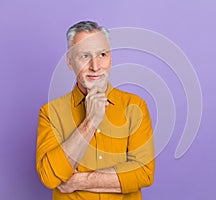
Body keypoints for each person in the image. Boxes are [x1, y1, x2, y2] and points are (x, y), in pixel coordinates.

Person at [36, 21, 155, 200]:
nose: (95, 66)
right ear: (69, 61)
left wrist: (79, 181)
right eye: (85, 56)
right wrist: (90, 122)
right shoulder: (50, 113)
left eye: (102, 54)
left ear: (111, 59)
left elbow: (144, 173)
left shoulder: (135, 107)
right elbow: (49, 176)